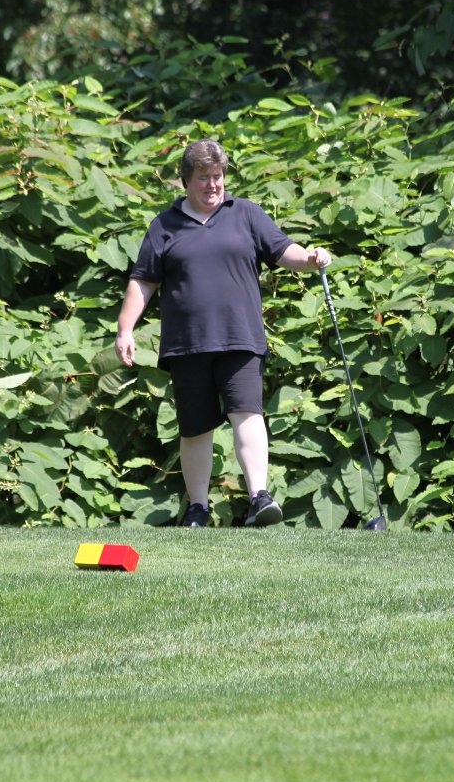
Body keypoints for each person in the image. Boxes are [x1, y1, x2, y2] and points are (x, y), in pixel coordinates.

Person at [116, 139, 332, 527]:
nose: (213, 185)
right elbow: (143, 281)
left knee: (247, 413)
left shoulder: (245, 213)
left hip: (240, 337)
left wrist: (311, 258)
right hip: (187, 344)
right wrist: (125, 329)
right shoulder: (164, 225)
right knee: (195, 428)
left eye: (218, 176)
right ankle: (198, 508)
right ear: (186, 180)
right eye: (203, 178)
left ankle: (258, 498)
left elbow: (284, 251)